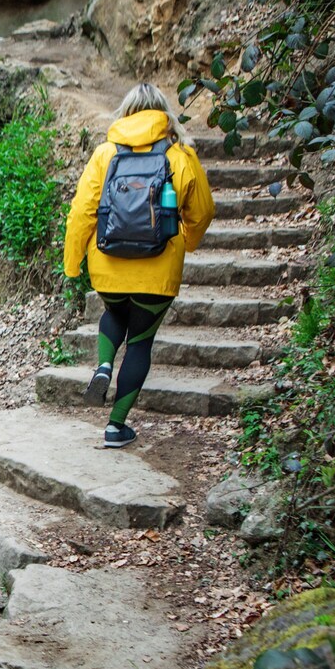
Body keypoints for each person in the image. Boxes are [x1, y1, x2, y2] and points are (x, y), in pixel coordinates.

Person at [63, 82, 216, 448]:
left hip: (109, 263)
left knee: (114, 313)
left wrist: (72, 264)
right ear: (164, 113)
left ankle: (103, 366)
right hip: (158, 267)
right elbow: (204, 211)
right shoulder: (180, 155)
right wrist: (189, 241)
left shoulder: (105, 154)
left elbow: (81, 213)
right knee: (141, 341)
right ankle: (116, 427)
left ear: (125, 111)